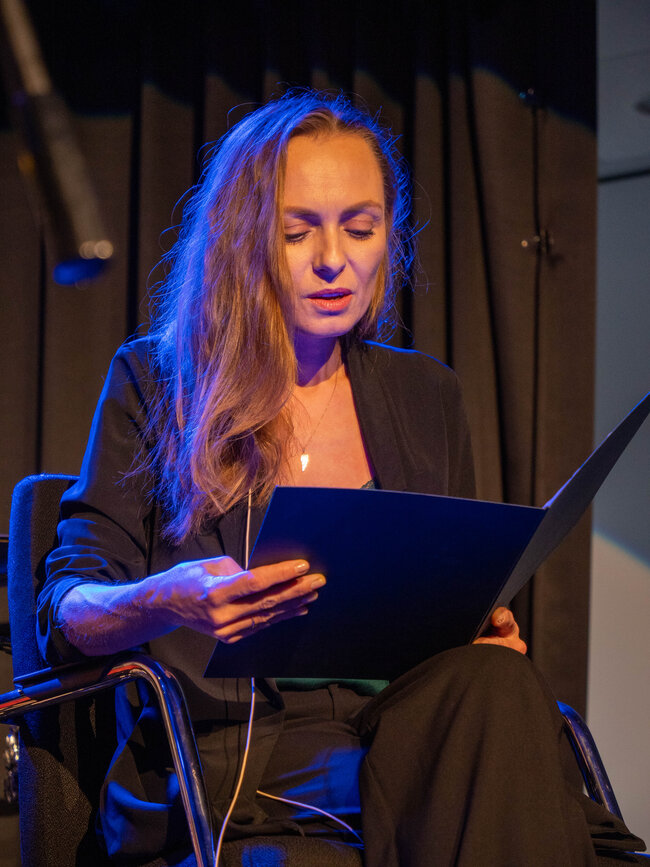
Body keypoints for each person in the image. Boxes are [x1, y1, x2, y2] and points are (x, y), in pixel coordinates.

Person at [37, 90, 642, 866]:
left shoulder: (425, 394)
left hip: (408, 741)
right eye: (297, 232)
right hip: (242, 764)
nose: (334, 259)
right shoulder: (157, 383)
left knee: (496, 680)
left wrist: (472, 630)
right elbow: (67, 610)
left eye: (361, 227)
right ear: (244, 239)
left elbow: (437, 601)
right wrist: (169, 598)